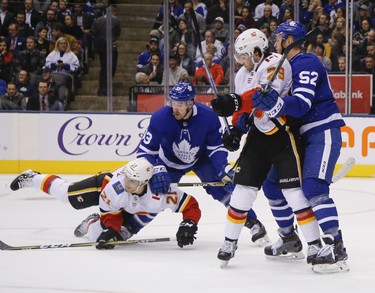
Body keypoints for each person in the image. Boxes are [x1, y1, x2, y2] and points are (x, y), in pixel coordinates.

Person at [211, 28, 322, 267]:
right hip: (259, 138)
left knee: (294, 193)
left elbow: (265, 95)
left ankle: (315, 244)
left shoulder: (274, 63)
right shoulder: (242, 74)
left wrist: (235, 101)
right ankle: (230, 241)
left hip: (282, 133)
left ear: (257, 52)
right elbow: (243, 110)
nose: (240, 60)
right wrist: (234, 130)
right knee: (242, 190)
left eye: (243, 55)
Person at [251, 21, 348, 273]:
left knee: (314, 187)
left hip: (321, 130)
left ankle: (335, 246)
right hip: (297, 138)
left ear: (289, 39)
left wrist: (276, 104)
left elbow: (302, 103)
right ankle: (289, 238)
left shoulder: (307, 63)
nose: (274, 42)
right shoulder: (283, 67)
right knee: (272, 185)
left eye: (278, 37)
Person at [136, 81, 269, 246]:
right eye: (173, 102)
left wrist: (223, 168)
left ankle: (253, 222)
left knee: (222, 189)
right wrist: (156, 168)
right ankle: (126, 227)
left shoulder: (208, 116)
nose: (175, 108)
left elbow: (215, 148)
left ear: (191, 103)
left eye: (180, 104)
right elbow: (145, 151)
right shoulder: (161, 117)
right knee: (154, 191)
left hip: (201, 159)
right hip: (169, 162)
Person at [9, 158, 201, 249]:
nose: (126, 182)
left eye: (132, 181)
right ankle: (33, 177)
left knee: (113, 238)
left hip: (141, 211)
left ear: (143, 182)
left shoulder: (160, 195)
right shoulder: (116, 187)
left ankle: (92, 222)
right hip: (103, 185)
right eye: (126, 178)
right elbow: (110, 211)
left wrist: (189, 223)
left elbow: (190, 205)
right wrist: (111, 226)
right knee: (69, 197)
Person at [91, 5, 121, 96]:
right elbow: (118, 32)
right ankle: (106, 89)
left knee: (104, 67)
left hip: (101, 46)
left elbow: (94, 32)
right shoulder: (115, 19)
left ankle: (102, 89)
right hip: (110, 45)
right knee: (111, 67)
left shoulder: (97, 20)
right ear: (113, 11)